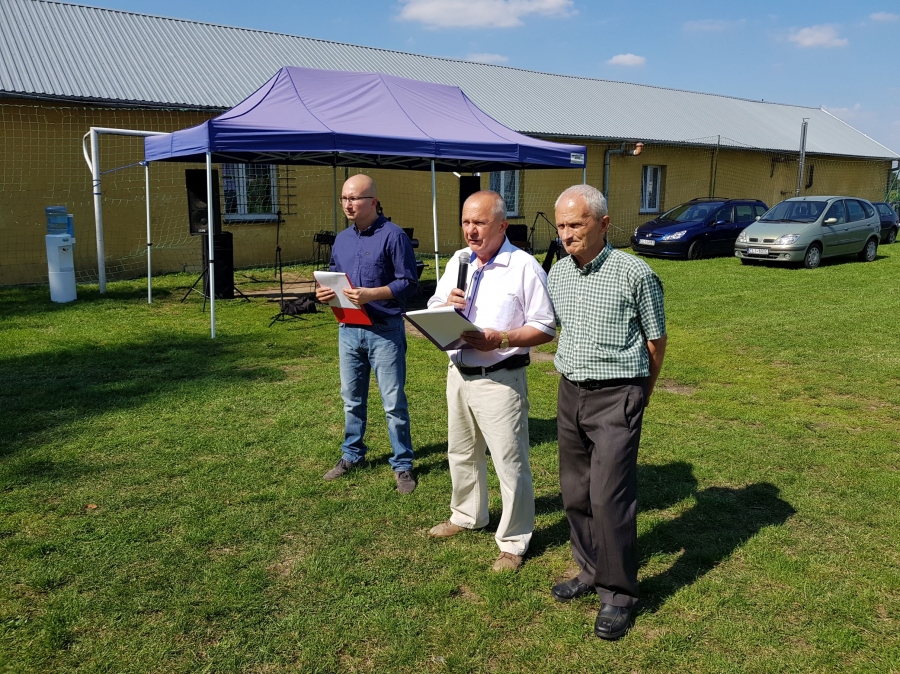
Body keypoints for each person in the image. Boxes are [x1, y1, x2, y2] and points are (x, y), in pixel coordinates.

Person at [547, 184, 667, 640]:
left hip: (617, 394)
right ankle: (590, 569)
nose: (566, 234)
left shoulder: (635, 273)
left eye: (575, 224)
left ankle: (618, 595)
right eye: (561, 225)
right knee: (575, 492)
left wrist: (641, 395)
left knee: (609, 497)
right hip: (570, 392)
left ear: (603, 224)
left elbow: (656, 341)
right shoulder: (559, 272)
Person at [427, 190, 556, 572]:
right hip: (459, 375)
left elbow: (546, 326)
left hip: (500, 380)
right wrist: (445, 307)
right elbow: (433, 306)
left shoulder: (524, 267)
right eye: (466, 222)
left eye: (479, 223)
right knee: (461, 453)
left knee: (509, 463)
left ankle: (514, 541)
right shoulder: (460, 260)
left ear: (502, 226)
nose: (471, 230)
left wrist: (503, 337)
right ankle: (468, 515)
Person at [315, 174, 419, 494]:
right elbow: (334, 274)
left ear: (372, 201)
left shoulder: (394, 236)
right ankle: (352, 455)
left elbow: (408, 283)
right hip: (348, 328)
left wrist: (372, 294)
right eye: (344, 198)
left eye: (354, 198)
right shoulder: (342, 239)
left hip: (384, 331)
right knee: (351, 399)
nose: (348, 204)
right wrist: (324, 292)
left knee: (393, 403)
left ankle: (403, 464)